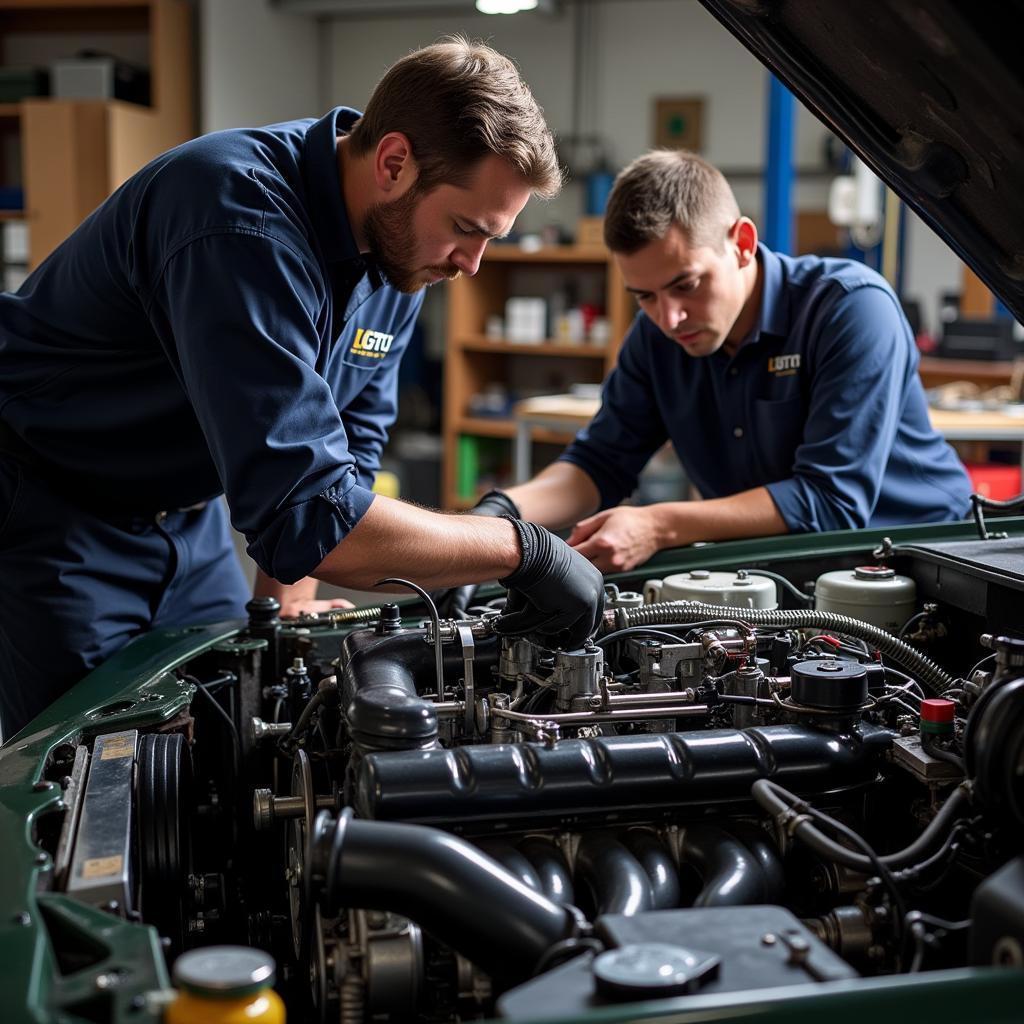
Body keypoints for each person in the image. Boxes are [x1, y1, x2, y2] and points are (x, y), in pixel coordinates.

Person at [0, 38, 604, 739]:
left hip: (189, 522)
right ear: (394, 162)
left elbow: (348, 445)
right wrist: (521, 549)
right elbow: (305, 512)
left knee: (233, 723)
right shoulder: (234, 217)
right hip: (61, 514)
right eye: (467, 229)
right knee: (102, 775)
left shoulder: (400, 252)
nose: (472, 264)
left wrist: (288, 598)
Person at [467, 149, 973, 577]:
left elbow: (830, 503)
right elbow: (599, 464)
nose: (669, 318)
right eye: (644, 296)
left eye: (686, 285)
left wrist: (657, 524)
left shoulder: (850, 308)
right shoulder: (656, 336)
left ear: (742, 244)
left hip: (923, 566)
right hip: (780, 571)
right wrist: (499, 518)